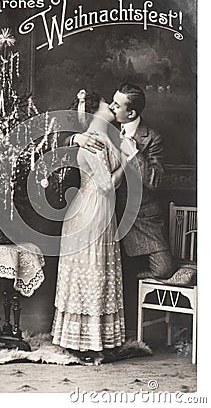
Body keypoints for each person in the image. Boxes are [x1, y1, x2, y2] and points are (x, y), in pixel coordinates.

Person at [71, 83, 176, 279]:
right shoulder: (105, 127)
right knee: (108, 274)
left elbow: (155, 181)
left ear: (131, 113)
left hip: (141, 219)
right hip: (108, 214)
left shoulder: (152, 138)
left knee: (164, 269)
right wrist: (77, 138)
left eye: (117, 105)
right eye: (111, 101)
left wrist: (134, 153)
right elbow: (77, 129)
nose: (111, 106)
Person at [51, 90, 126, 364]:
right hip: (91, 210)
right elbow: (107, 185)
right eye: (108, 102)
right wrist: (127, 161)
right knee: (92, 271)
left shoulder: (106, 137)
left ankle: (97, 341)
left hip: (100, 211)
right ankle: (87, 343)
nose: (112, 105)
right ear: (96, 110)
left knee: (99, 271)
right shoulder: (93, 141)